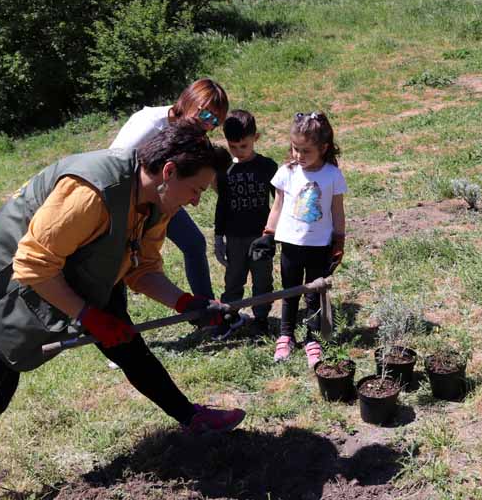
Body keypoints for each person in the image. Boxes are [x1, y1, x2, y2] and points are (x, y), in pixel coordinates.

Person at [0, 122, 244, 500]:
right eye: (196, 189)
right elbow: (33, 265)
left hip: (80, 272)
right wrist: (88, 316)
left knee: (129, 346)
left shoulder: (156, 204)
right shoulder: (93, 191)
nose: (197, 201)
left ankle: (190, 417)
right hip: (5, 280)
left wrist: (187, 304)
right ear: (168, 172)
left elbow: (143, 268)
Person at [110, 79, 228, 301]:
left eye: (215, 121)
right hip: (126, 202)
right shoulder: (150, 124)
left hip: (164, 199)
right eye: (205, 114)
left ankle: (206, 310)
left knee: (194, 243)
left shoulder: (195, 132)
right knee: (121, 261)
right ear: (188, 101)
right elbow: (114, 165)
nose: (208, 124)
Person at [252, 112, 347, 367]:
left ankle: (313, 337)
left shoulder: (332, 175)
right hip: (290, 245)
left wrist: (339, 241)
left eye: (305, 151)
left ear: (323, 148)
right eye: (295, 149)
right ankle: (286, 334)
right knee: (290, 291)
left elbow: (337, 211)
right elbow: (278, 206)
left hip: (320, 246)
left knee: (314, 294)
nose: (298, 155)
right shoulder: (287, 172)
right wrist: (268, 235)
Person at [212, 110, 278, 339]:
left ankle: (261, 318)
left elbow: (279, 202)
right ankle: (230, 316)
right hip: (235, 237)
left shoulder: (268, 167)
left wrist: (275, 234)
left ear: (255, 138)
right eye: (233, 147)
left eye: (244, 146)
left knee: (262, 279)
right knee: (233, 279)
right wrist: (218, 236)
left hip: (261, 237)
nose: (239, 152)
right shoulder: (224, 171)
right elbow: (222, 205)